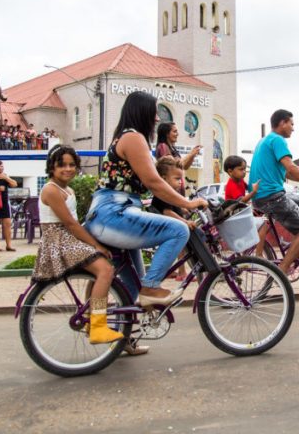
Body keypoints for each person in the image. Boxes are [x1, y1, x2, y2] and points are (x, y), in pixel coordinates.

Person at [84, 91, 208, 307]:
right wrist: (188, 203)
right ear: (142, 112)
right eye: (154, 113)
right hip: (113, 213)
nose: (157, 119)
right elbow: (153, 182)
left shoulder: (127, 137)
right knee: (179, 230)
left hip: (113, 213)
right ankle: (151, 288)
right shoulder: (133, 138)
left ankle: (111, 327)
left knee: (132, 287)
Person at [32, 145, 125, 346]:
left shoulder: (67, 189)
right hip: (59, 239)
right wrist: (96, 245)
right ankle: (98, 327)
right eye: (62, 165)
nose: (68, 169)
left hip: (68, 237)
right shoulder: (51, 190)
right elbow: (70, 224)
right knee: (105, 270)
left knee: (100, 271)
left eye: (72, 165)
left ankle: (92, 317)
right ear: (52, 167)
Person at [249, 109, 299, 275]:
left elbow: (288, 173)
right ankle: (282, 270)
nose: (293, 128)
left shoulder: (265, 140)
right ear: (282, 123)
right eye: (291, 124)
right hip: (271, 196)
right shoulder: (278, 140)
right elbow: (291, 167)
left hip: (262, 196)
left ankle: (296, 244)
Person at [152, 156, 196, 281]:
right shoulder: (163, 193)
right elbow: (167, 211)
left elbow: (173, 207)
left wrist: (183, 209)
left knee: (176, 250)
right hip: (167, 228)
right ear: (164, 178)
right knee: (180, 248)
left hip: (169, 227)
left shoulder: (170, 193)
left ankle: (169, 271)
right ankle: (182, 273)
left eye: (181, 179)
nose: (180, 182)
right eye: (177, 179)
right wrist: (185, 221)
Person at [223, 155, 268, 257]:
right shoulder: (231, 184)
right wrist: (254, 192)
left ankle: (245, 255)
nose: (244, 172)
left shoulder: (240, 181)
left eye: (244, 169)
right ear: (230, 171)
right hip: (235, 218)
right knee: (263, 224)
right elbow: (241, 200)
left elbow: (249, 187)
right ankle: (259, 254)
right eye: (241, 169)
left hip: (240, 215)